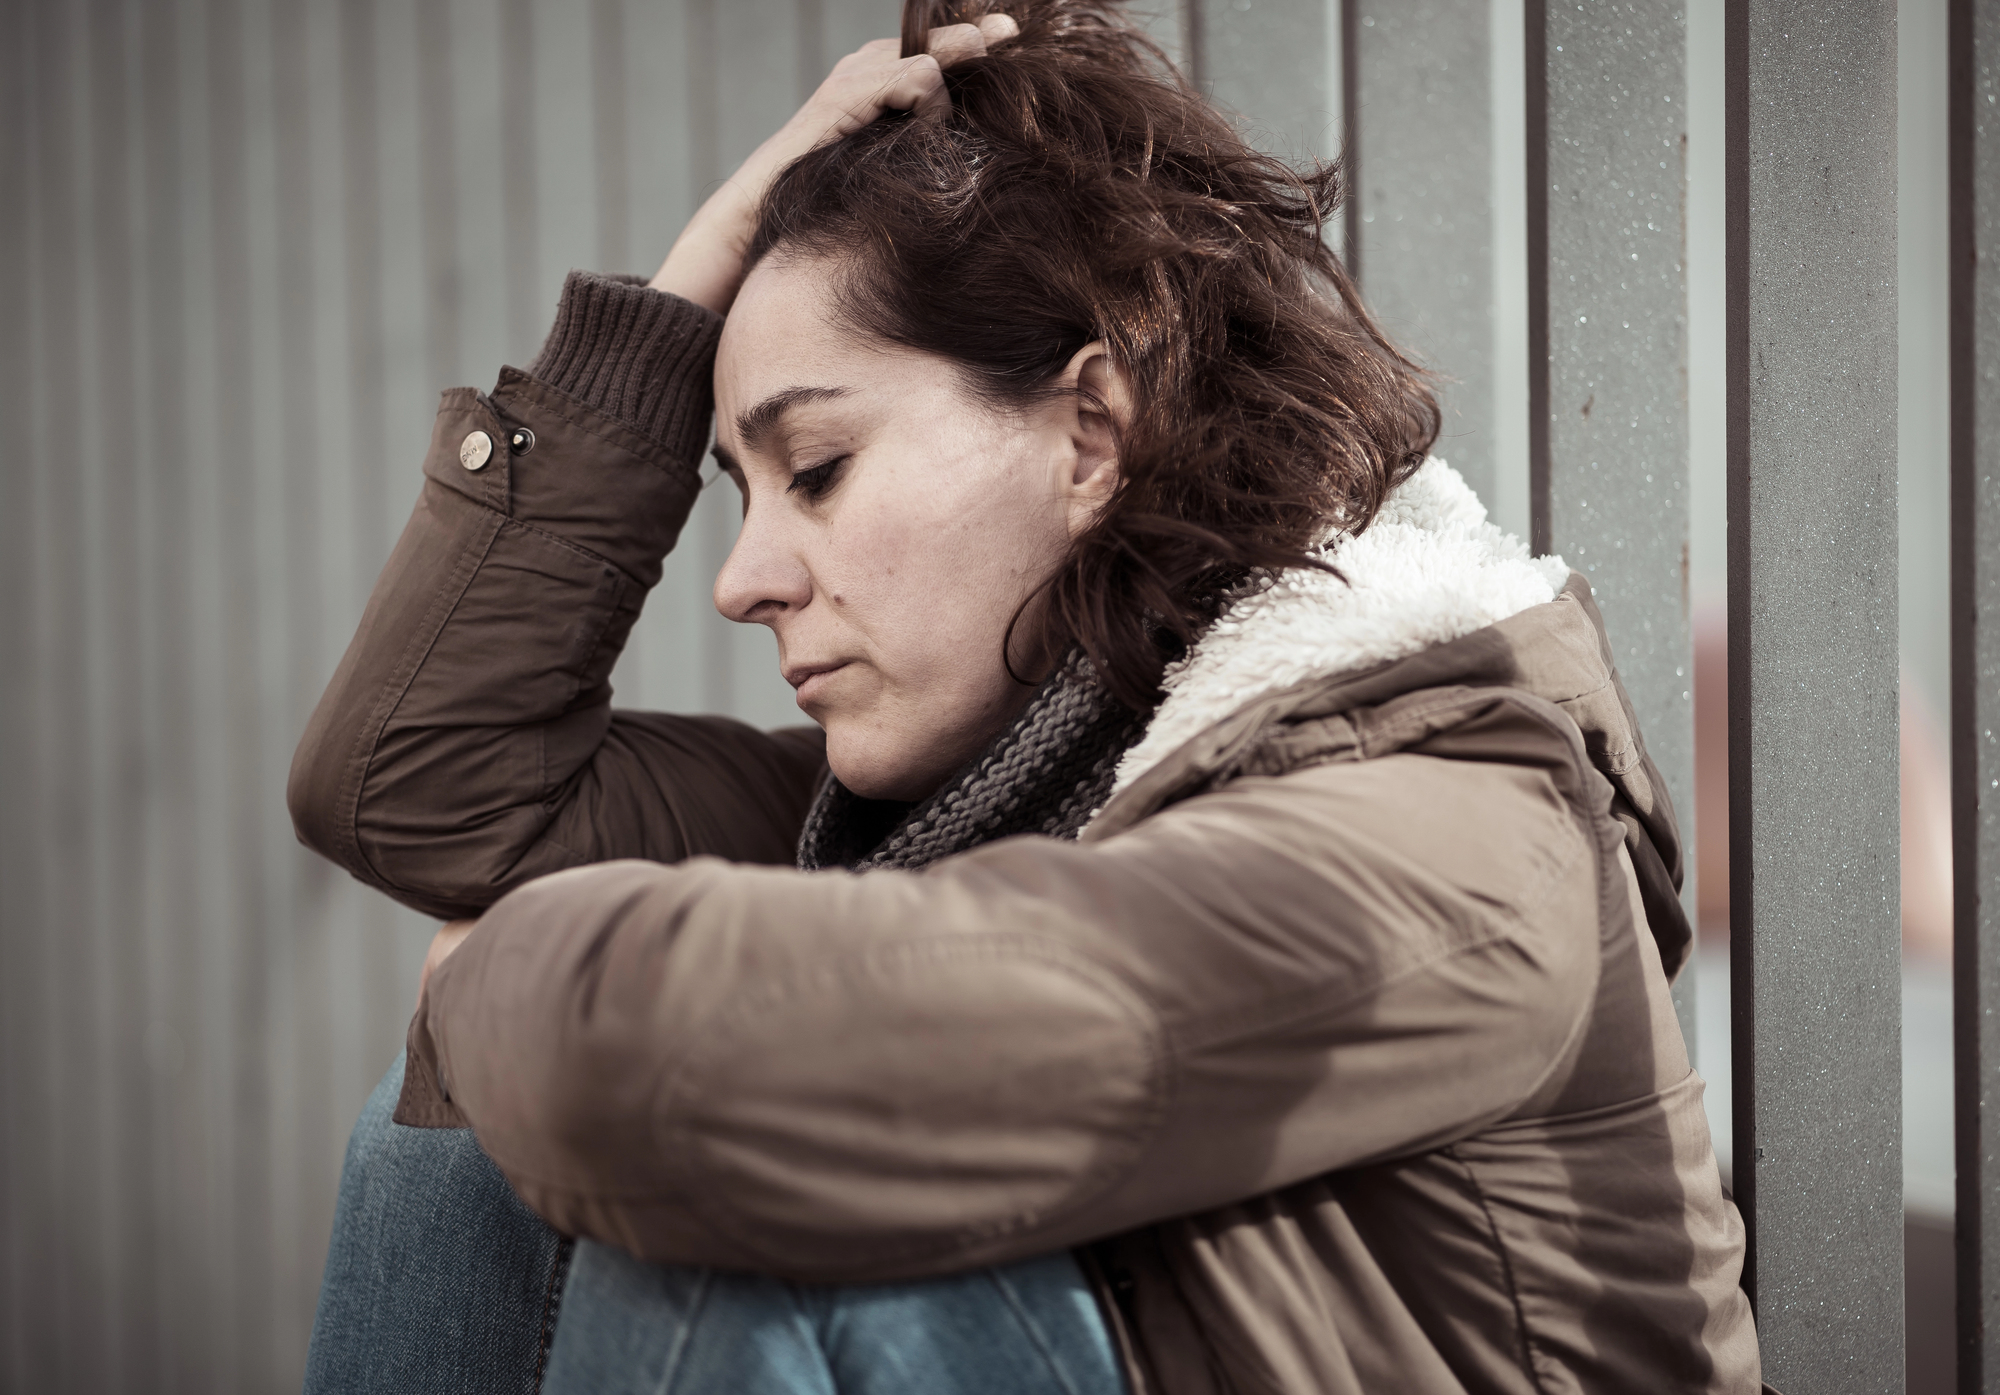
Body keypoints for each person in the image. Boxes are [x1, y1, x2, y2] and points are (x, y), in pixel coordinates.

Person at [290, 2, 1765, 1391]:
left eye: (816, 471)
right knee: (448, 1148)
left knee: (753, 1250)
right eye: (741, 491)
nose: (740, 582)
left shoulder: (1449, 822)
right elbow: (420, 782)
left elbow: (688, 1058)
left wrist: (495, 975)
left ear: (1087, 433)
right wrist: (676, 303)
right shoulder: (931, 809)